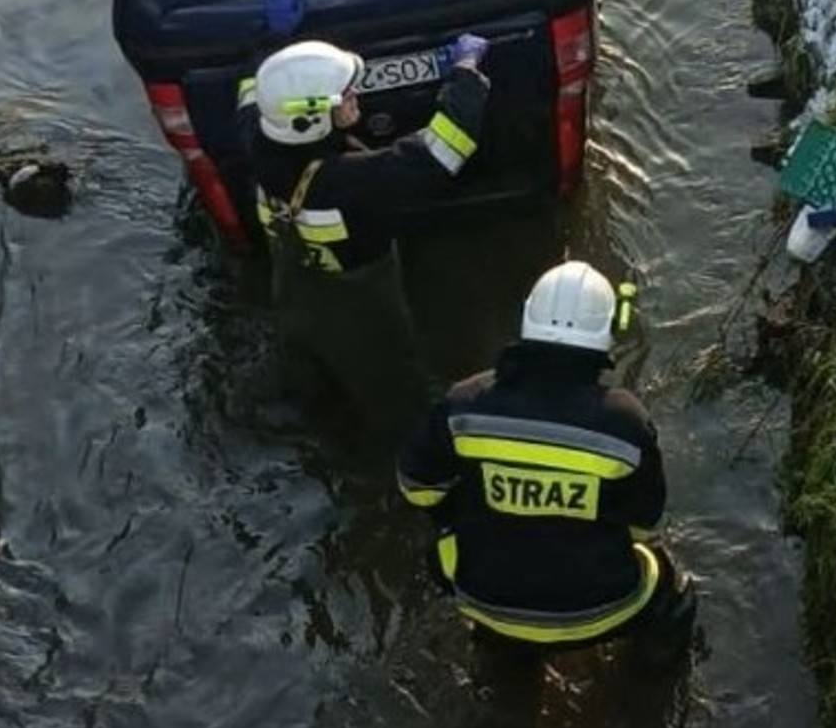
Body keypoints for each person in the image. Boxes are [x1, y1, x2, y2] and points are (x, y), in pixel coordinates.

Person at [395, 260, 697, 668]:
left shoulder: (463, 405)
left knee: (452, 560)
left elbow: (416, 487)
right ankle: (648, 690)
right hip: (602, 613)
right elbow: (644, 523)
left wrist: (467, 513)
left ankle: (505, 672)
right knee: (674, 589)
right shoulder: (624, 421)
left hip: (486, 604)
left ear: (526, 318)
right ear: (609, 331)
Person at [240, 34, 490, 411]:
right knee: (396, 387)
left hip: (297, 301)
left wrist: (274, 50)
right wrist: (466, 74)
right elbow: (443, 151)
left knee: (308, 378)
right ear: (311, 117)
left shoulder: (255, 138)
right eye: (344, 94)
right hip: (360, 313)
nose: (355, 93)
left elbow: (250, 93)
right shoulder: (349, 183)